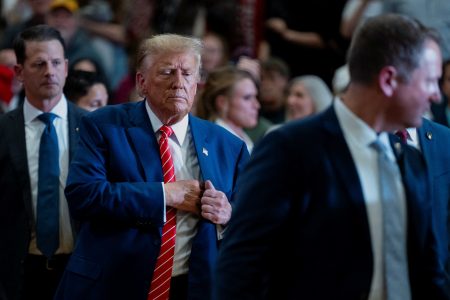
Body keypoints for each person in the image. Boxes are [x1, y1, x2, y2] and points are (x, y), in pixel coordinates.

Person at [214, 14, 449, 299]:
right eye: (430, 81)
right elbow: (240, 269)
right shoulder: (289, 149)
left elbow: (428, 274)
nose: (436, 95)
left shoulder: (410, 160)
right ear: (388, 80)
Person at [54, 33, 250, 300]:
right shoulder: (103, 126)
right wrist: (164, 194)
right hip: (114, 284)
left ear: (196, 84)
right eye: (167, 72)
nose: (178, 83)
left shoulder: (228, 146)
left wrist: (227, 215)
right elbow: (83, 195)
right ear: (141, 82)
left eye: (187, 74)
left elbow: (252, 221)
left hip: (194, 287)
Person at [0, 24, 86, 300]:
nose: (50, 71)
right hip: (19, 273)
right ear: (19, 72)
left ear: (66, 66)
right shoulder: (3, 131)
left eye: (56, 62)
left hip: (79, 269)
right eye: (38, 64)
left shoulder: (92, 128)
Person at [196, 65, 260, 153]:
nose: (256, 105)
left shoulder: (242, 139)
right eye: (247, 98)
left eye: (255, 97)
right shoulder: (216, 143)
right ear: (222, 102)